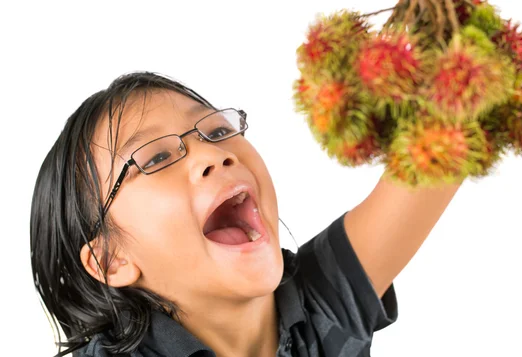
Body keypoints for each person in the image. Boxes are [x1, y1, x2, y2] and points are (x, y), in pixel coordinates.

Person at [30, 71, 461, 357]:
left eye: (216, 130)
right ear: (111, 260)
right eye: (155, 158)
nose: (212, 154)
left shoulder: (320, 302)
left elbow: (450, 140)